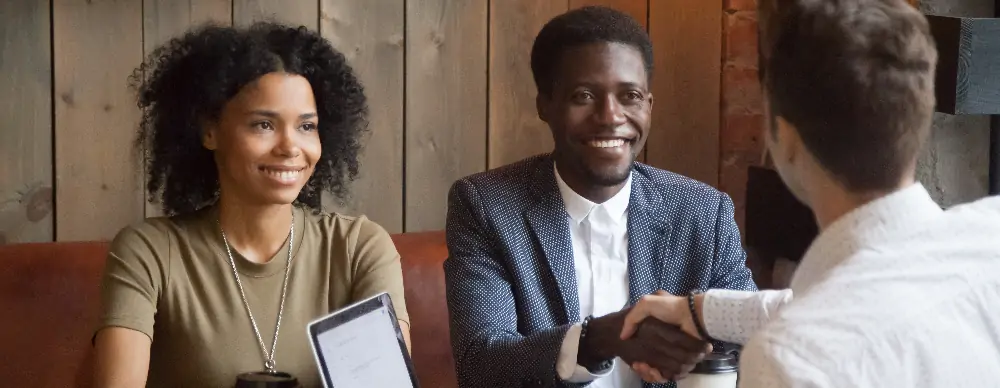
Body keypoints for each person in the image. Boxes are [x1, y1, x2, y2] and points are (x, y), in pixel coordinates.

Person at [620, 0, 1000, 386]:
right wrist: (701, 310)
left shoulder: (792, 361)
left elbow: (841, 311)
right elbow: (855, 303)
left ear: (784, 139)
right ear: (920, 115)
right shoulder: (990, 238)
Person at [443, 6, 757, 388]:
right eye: (584, 95)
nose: (610, 116)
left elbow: (755, 344)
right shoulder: (486, 206)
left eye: (630, 96)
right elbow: (481, 366)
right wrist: (601, 338)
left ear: (649, 106)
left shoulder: (702, 212)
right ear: (545, 105)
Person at [91, 21, 410, 388]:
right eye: (263, 125)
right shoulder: (148, 253)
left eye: (307, 126)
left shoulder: (359, 249)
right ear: (209, 130)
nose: (290, 147)